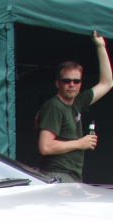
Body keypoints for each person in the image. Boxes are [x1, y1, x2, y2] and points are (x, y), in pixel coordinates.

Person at [37, 31, 113, 182]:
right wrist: (80, 143)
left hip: (71, 175)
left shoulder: (77, 102)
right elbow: (45, 146)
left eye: (76, 81)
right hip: (57, 175)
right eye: (67, 81)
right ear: (57, 83)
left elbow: (107, 83)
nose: (72, 84)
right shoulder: (54, 106)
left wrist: (101, 46)